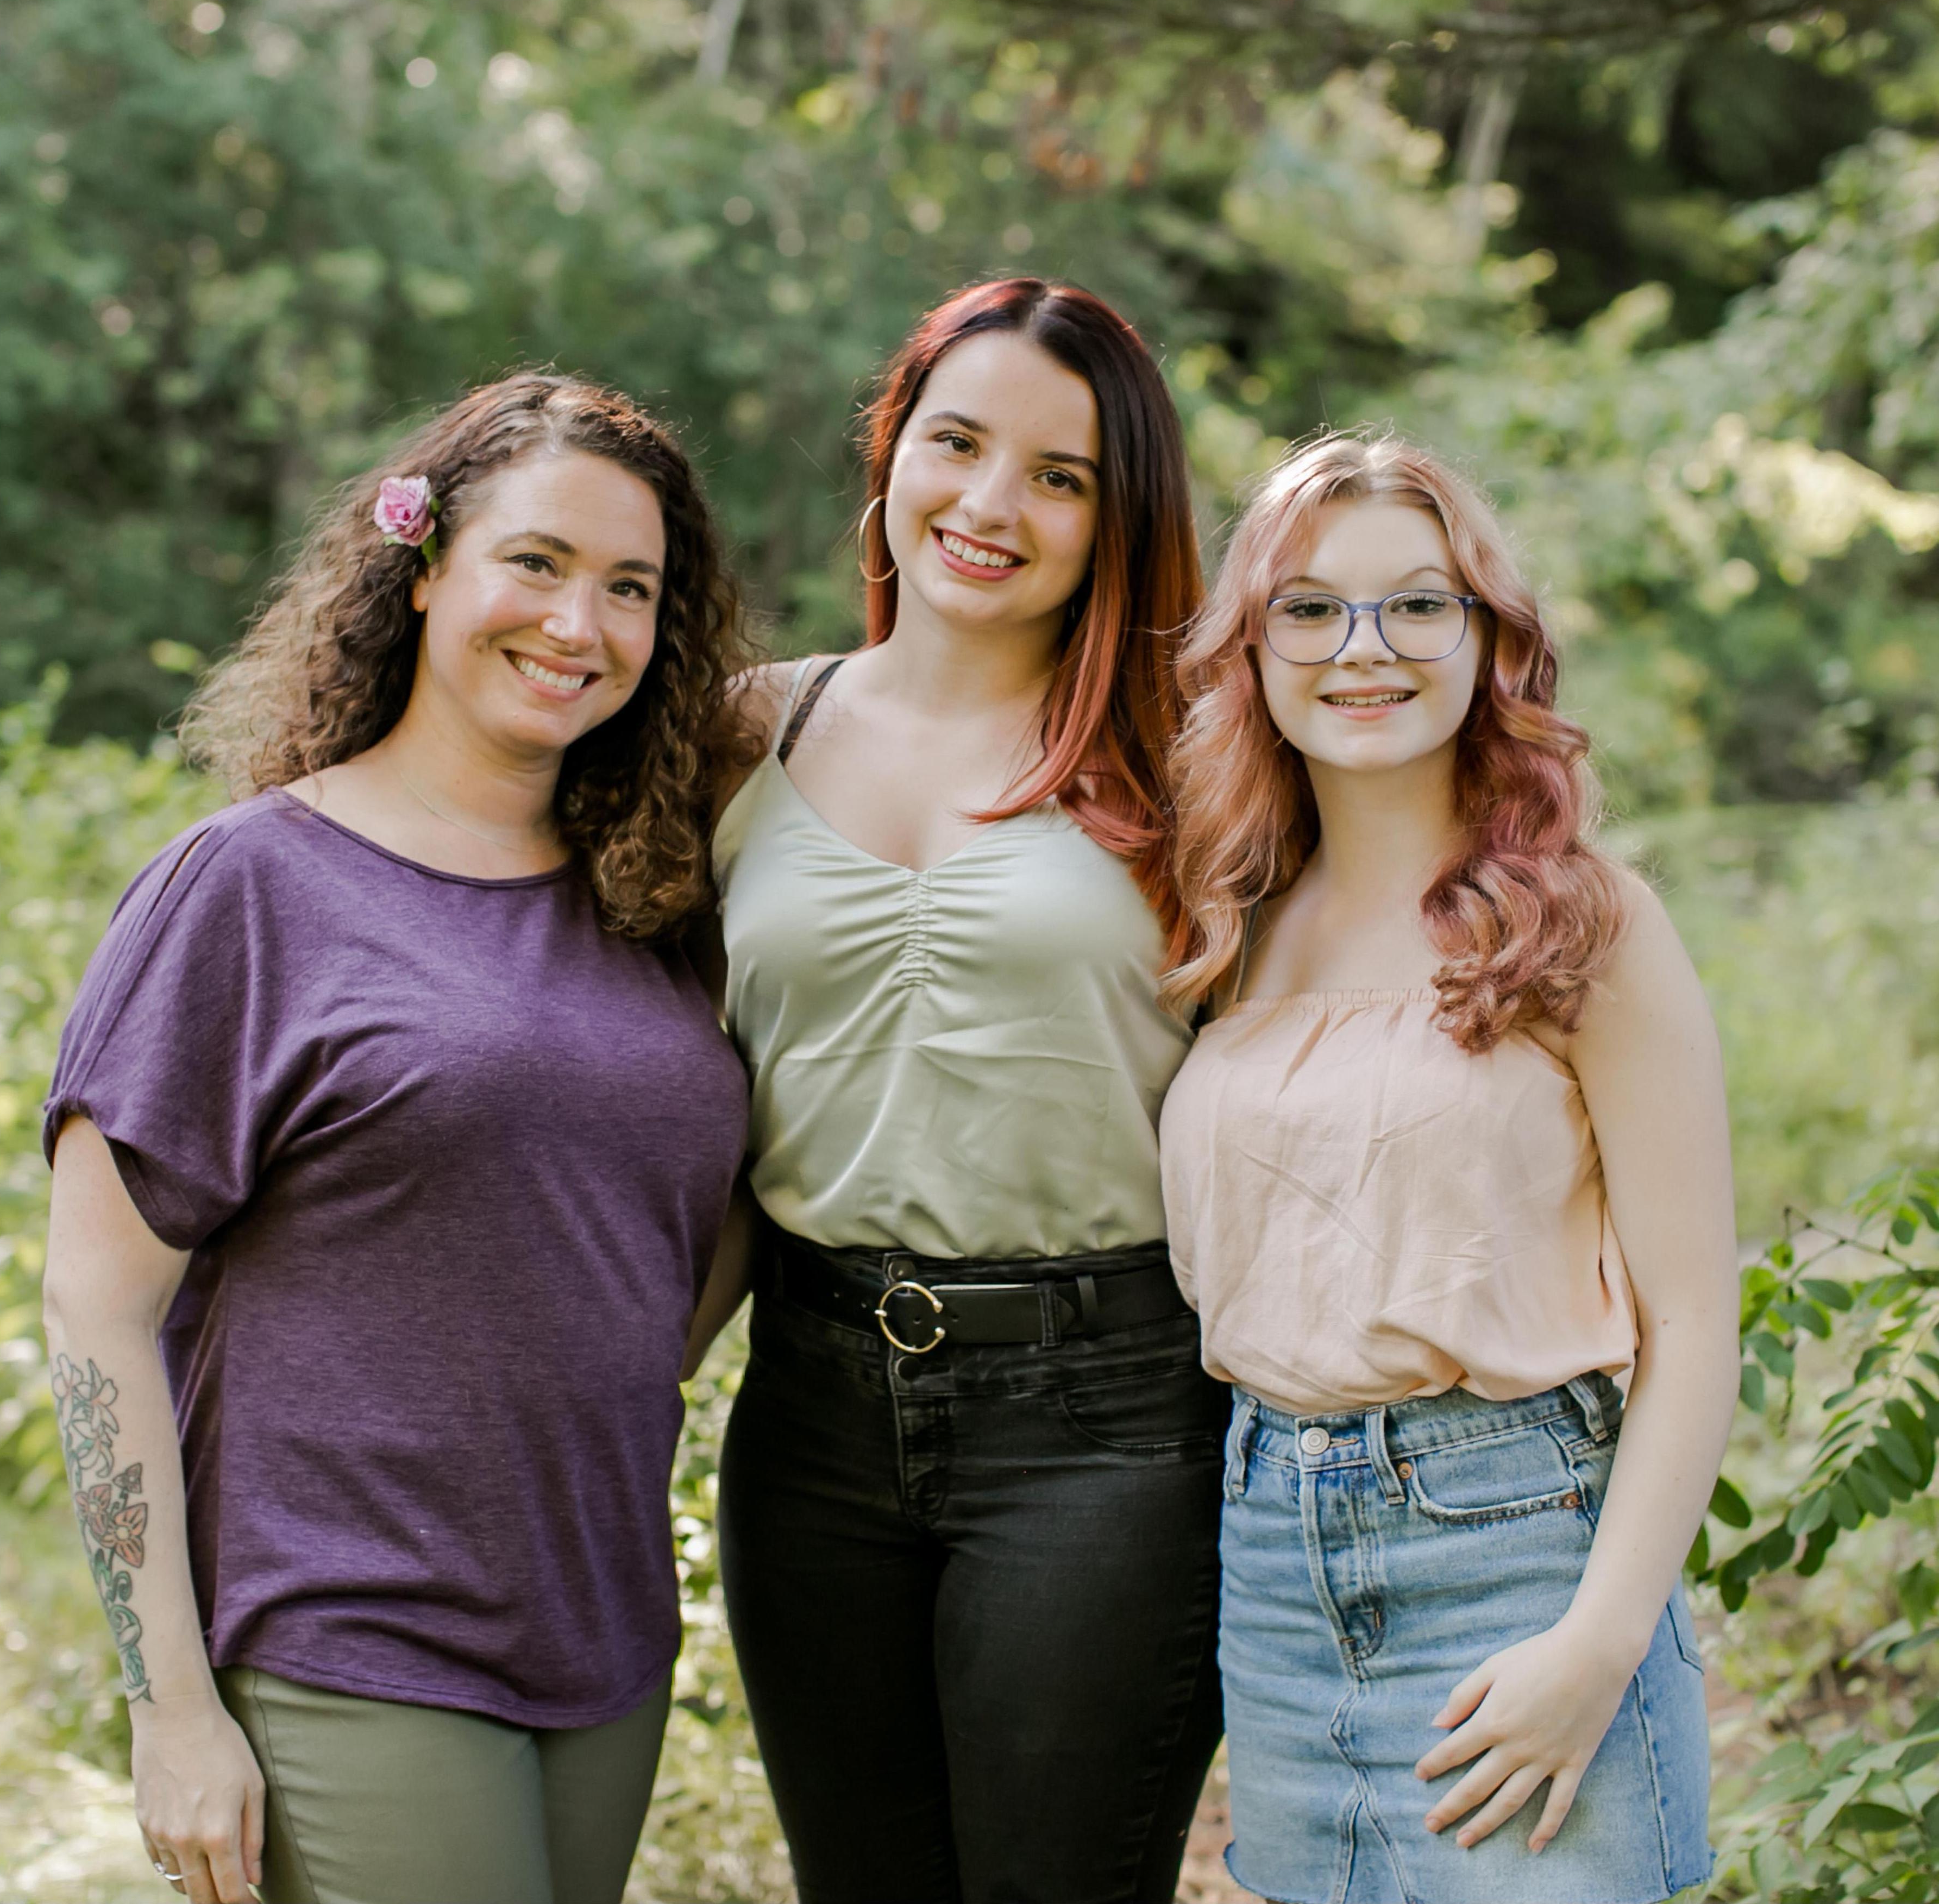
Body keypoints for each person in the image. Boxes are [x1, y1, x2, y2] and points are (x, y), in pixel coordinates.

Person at [41, 373, 754, 1904]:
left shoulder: (656, 909)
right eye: (539, 563)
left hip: (604, 1638)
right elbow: (98, 1307)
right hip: (346, 1636)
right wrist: (172, 1708)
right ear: (424, 565)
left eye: (631, 588)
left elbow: (700, 1218)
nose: (581, 624)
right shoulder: (250, 887)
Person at [690, 277, 1224, 1904]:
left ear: (1114, 519)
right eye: (959, 442)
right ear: (893, 451)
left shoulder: (1195, 765)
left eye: (1058, 477)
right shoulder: (740, 734)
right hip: (812, 1405)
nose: (990, 505)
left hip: (1107, 1421)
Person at [1158, 431, 1734, 1903]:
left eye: (1419, 604)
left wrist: (1599, 1649)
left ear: (1492, 642)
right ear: (1255, 648)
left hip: (1519, 1552)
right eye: (1311, 607)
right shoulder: (1229, 930)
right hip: (1276, 1563)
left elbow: (1693, 1323)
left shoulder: (1579, 927)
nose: (1366, 648)